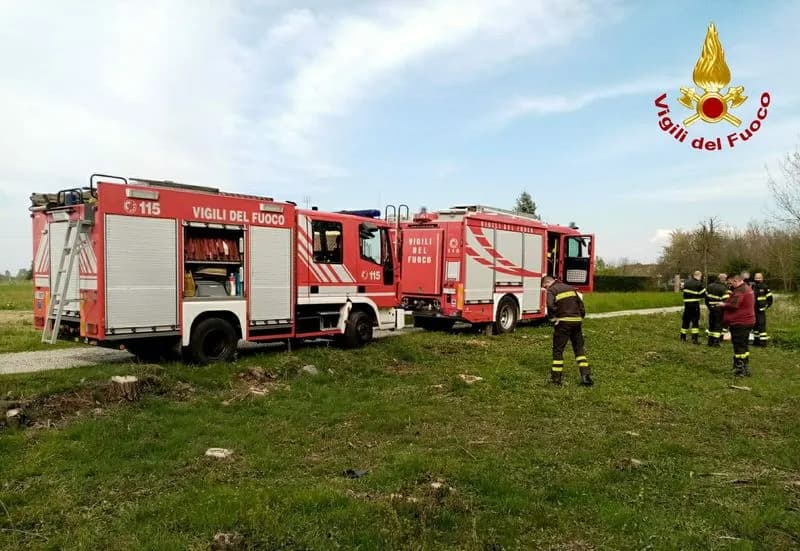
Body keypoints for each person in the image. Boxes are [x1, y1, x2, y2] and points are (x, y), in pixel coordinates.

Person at [543, 275, 592, 386]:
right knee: (579, 349)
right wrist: (580, 317)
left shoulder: (552, 290)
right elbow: (580, 304)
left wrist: (553, 318)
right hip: (576, 322)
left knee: (558, 350)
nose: (546, 289)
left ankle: (556, 379)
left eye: (545, 286)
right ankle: (586, 376)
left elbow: (550, 305)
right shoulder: (570, 288)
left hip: (563, 323)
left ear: (548, 283)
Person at [716, 273, 755, 377]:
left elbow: (734, 305)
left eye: (730, 283)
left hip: (740, 322)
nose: (730, 285)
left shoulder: (740, 290)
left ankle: (739, 368)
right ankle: (745, 366)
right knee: (744, 345)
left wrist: (723, 304)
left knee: (738, 346)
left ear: (735, 281)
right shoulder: (747, 288)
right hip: (747, 321)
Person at [681, 270, 706, 344]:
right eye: (701, 276)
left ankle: (683, 337)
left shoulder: (686, 282)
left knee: (685, 320)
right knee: (695, 321)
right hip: (694, 305)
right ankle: (694, 339)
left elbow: (683, 291)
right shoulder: (699, 284)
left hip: (687, 305)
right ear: (699, 275)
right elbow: (703, 294)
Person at [705, 273, 729, 347]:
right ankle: (716, 342)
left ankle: (710, 342)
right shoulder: (723, 288)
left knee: (711, 325)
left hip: (711, 308)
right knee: (718, 325)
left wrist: (709, 307)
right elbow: (726, 301)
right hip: (719, 309)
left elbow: (706, 298)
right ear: (723, 279)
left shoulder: (709, 286)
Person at [751, 272, 774, 347]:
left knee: (761, 326)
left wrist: (765, 306)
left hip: (760, 310)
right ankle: (756, 341)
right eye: (756, 278)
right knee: (755, 326)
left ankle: (763, 343)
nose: (757, 279)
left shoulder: (765, 287)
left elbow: (770, 299)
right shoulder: (753, 286)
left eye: (759, 278)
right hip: (753, 310)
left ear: (762, 278)